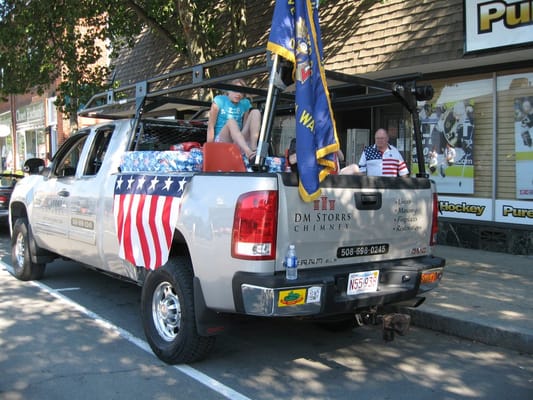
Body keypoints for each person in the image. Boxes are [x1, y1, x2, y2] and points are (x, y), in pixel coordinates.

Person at [206, 78, 261, 160]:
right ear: (228, 91)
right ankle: (248, 152)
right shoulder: (219, 100)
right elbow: (210, 126)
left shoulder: (245, 103)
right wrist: (209, 150)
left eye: (241, 92)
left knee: (256, 112)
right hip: (222, 140)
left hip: (238, 140)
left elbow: (246, 126)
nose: (238, 94)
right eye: (235, 91)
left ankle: (254, 149)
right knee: (231, 121)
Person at [340, 128, 409, 177]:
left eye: (382, 138)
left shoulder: (395, 151)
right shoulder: (367, 151)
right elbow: (362, 172)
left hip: (390, 188)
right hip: (373, 189)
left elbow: (403, 173)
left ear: (387, 138)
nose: (379, 140)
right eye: (377, 138)